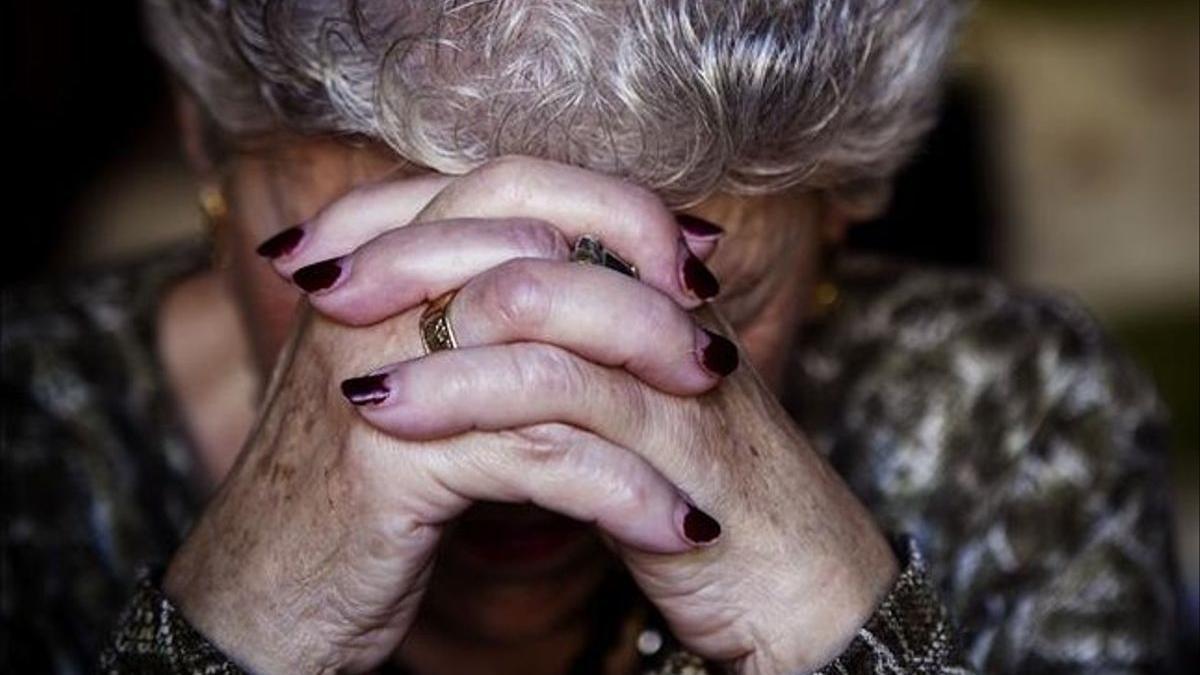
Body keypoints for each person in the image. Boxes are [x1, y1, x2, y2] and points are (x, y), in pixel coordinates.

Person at [1, 1, 1182, 673]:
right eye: (389, 262)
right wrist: (232, 635)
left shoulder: (1021, 417)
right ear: (205, 145)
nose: (522, 415)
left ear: (842, 200)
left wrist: (838, 627)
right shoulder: (23, 440)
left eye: (673, 288)